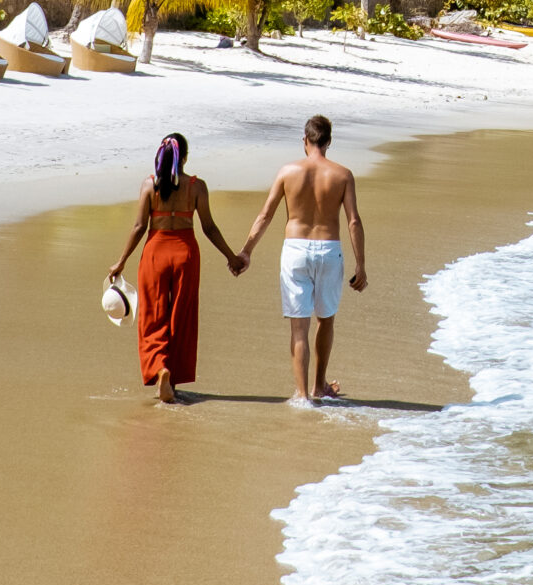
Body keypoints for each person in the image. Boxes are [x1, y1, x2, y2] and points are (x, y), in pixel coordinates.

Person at [109, 132, 246, 403]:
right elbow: (209, 228)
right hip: (185, 253)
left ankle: (161, 369)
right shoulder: (197, 187)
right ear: (184, 157)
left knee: (153, 316)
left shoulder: (149, 186)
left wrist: (121, 260)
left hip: (155, 254)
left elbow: (139, 227)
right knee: (181, 318)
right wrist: (231, 257)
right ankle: (172, 380)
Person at [240, 114, 367, 406]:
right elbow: (354, 222)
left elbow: (265, 215)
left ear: (304, 140)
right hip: (329, 249)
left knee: (299, 327)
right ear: (329, 142)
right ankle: (319, 386)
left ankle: (302, 395)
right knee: (326, 320)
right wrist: (361, 264)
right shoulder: (342, 174)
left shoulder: (287, 172)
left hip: (295, 250)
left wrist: (247, 251)